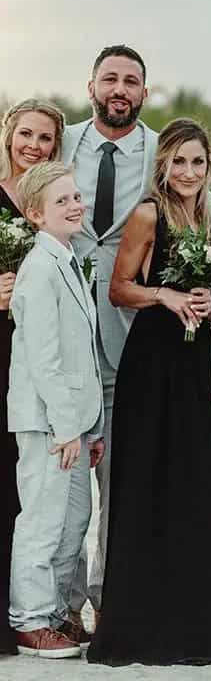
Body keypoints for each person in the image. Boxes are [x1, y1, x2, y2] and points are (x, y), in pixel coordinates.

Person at [87, 119, 211, 667]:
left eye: (197, 162)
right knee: (146, 481)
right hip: (151, 362)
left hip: (194, 363)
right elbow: (119, 288)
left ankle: (187, 620)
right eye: (179, 161)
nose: (189, 172)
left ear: (208, 166)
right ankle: (135, 622)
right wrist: (167, 298)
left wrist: (206, 305)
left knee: (189, 481)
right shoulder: (148, 213)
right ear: (164, 165)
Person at [61, 45, 157, 631]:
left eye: (131, 81)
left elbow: (210, 209)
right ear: (92, 85)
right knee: (65, 494)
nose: (120, 88)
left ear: (144, 92)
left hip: (130, 344)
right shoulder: (58, 143)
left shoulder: (160, 154)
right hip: (63, 345)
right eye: (111, 78)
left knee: (119, 485)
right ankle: (60, 606)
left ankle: (110, 598)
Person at [8, 162, 104, 659]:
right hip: (47, 423)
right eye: (61, 201)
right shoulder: (39, 269)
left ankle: (56, 613)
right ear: (35, 215)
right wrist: (67, 428)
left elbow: (82, 354)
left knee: (74, 522)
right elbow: (44, 361)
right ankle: (28, 620)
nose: (74, 206)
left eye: (75, 197)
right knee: (43, 521)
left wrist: (92, 428)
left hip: (74, 424)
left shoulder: (67, 258)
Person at [0, 99, 65, 656]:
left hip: (30, 362)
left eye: (45, 139)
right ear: (8, 134)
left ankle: (24, 607)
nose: (34, 146)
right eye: (26, 134)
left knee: (24, 492)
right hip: (6, 351)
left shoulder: (48, 207)